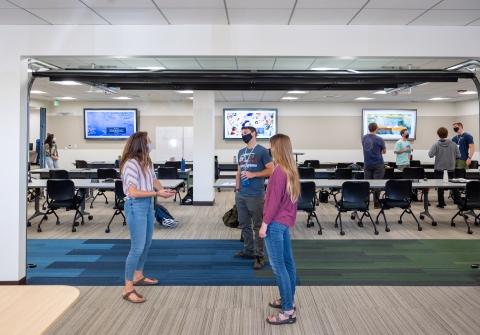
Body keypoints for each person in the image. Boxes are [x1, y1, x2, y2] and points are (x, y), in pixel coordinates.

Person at [120, 131, 176, 303]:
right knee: (137, 248)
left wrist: (162, 190)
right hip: (135, 205)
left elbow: (154, 180)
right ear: (141, 145)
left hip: (148, 205)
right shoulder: (130, 164)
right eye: (148, 141)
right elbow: (132, 192)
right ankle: (127, 288)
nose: (151, 143)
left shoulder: (147, 162)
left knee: (146, 244)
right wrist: (156, 193)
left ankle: (138, 276)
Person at [259, 133, 300, 325]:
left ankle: (287, 312)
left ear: (278, 148)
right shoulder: (291, 170)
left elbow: (273, 202)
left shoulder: (278, 172)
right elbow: (291, 202)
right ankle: (288, 300)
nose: (270, 148)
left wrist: (264, 224)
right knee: (288, 263)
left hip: (275, 224)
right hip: (284, 223)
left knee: (279, 267)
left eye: (271, 145)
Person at [235, 126, 274, 270]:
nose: (243, 135)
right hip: (241, 194)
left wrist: (254, 174)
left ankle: (259, 256)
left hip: (256, 194)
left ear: (254, 134)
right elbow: (238, 171)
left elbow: (271, 170)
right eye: (242, 133)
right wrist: (237, 187)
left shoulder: (262, 151)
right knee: (244, 224)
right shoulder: (241, 151)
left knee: (257, 225)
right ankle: (248, 250)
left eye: (245, 133)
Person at [428, 127, 461, 208]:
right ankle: (458, 201)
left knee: (440, 186)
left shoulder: (436, 144)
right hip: (451, 167)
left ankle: (441, 203)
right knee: (454, 186)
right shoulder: (453, 144)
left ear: (438, 135)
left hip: (439, 167)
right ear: (447, 134)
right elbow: (459, 155)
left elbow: (430, 155)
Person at [362, 122, 386, 207]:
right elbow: (384, 151)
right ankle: (376, 203)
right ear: (376, 129)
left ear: (369, 128)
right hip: (378, 164)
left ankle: (365, 203)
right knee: (377, 184)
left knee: (366, 184)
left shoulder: (364, 138)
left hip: (367, 164)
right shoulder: (380, 139)